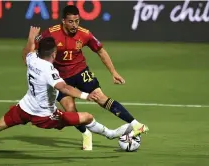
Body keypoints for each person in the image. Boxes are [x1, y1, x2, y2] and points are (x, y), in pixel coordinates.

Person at [0, 26, 133, 163]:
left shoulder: (32, 59)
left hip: (24, 107)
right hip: (44, 116)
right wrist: (86, 96)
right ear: (53, 53)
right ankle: (110, 134)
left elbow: (26, 53)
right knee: (87, 116)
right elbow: (65, 88)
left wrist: (30, 38)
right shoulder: (49, 70)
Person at [22, 5, 149, 151]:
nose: (75, 25)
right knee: (70, 109)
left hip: (81, 72)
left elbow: (101, 51)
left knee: (101, 97)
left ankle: (136, 124)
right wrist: (30, 42)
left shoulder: (85, 34)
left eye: (77, 21)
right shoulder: (50, 34)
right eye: (71, 21)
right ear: (63, 21)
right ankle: (86, 133)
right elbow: (29, 53)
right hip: (60, 77)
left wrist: (114, 72)